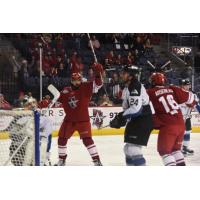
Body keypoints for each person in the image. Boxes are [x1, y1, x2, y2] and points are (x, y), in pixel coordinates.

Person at [55, 63, 104, 166]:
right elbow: (57, 103)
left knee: (87, 140)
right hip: (68, 121)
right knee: (61, 139)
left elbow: (98, 84)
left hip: (83, 121)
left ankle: (96, 160)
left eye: (78, 80)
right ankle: (62, 160)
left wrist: (97, 73)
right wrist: (48, 103)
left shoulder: (86, 87)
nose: (77, 82)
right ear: (71, 81)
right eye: (75, 80)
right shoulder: (65, 91)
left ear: (81, 80)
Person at [147, 73, 196, 166]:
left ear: (152, 82)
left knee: (164, 152)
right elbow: (191, 98)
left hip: (168, 126)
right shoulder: (172, 88)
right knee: (176, 150)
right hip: (181, 124)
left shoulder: (149, 92)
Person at [110, 66, 154, 166]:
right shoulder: (127, 87)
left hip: (143, 120)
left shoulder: (135, 86)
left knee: (133, 149)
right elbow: (127, 108)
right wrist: (122, 117)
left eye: (124, 73)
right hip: (136, 120)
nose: (121, 75)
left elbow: (136, 109)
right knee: (127, 149)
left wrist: (121, 117)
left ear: (131, 76)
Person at [179, 79, 200, 155]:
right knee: (180, 133)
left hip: (187, 117)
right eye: (186, 85)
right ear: (182, 85)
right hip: (178, 117)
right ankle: (178, 149)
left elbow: (196, 105)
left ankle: (185, 147)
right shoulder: (178, 93)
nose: (188, 86)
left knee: (187, 131)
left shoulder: (193, 94)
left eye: (188, 85)